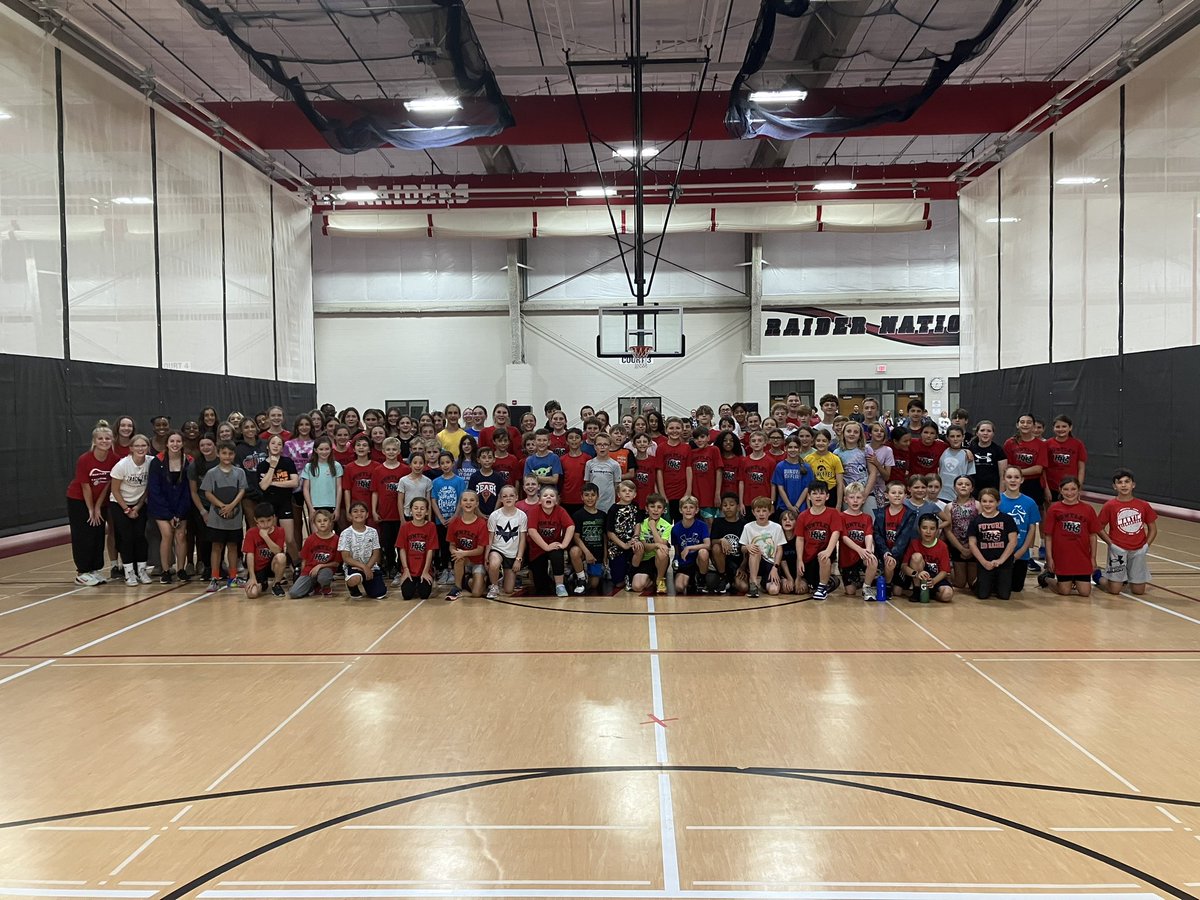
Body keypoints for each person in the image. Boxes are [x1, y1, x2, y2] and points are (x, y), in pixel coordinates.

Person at [1095, 468, 1157, 596]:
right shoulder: (1110, 505)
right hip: (1118, 550)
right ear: (1114, 486)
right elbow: (1099, 527)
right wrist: (1111, 544)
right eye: (1119, 482)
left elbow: (1153, 528)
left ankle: (1127, 578)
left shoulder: (1143, 505)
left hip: (1138, 550)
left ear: (1133, 485)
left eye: (1127, 482)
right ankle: (1097, 576)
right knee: (1114, 590)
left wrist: (1146, 546)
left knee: (1139, 591)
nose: (1123, 485)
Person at [201, 440, 247, 591]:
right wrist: (222, 506)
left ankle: (233, 577)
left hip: (235, 517)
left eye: (230, 453)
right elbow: (208, 492)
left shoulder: (239, 472)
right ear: (218, 454)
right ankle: (215, 578)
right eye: (224, 453)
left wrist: (231, 506)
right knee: (216, 546)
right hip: (217, 517)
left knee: (233, 546)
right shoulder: (212, 473)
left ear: (234, 455)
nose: (227, 456)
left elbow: (242, 491)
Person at [1041, 477, 1099, 597]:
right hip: (1063, 556)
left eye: (1073, 489)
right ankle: (1046, 578)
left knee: (1085, 592)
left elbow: (1093, 535)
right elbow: (1048, 536)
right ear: (1060, 491)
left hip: (1081, 556)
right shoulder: (1054, 509)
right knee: (1064, 591)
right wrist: (1049, 558)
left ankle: (1073, 579)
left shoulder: (1088, 509)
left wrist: (1092, 558)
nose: (1070, 492)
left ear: (1079, 490)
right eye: (1066, 489)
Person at [148, 431, 193, 584]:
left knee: (180, 535)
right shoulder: (157, 461)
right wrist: (168, 514)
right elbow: (154, 490)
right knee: (167, 535)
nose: (175, 444)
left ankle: (181, 569)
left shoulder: (188, 461)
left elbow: (188, 490)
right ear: (166, 444)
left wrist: (179, 513)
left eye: (178, 441)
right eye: (172, 441)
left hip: (181, 506)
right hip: (162, 507)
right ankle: (166, 570)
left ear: (182, 444)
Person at [109, 434, 154, 586]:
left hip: (139, 504)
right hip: (120, 504)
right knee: (126, 537)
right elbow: (115, 490)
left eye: (144, 445)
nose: (140, 449)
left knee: (140, 536)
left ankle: (141, 570)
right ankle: (129, 572)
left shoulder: (151, 462)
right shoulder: (122, 465)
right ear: (131, 448)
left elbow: (148, 488)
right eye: (137, 446)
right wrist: (127, 510)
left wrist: (138, 507)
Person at [967, 488, 1018, 600]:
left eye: (991, 501)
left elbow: (1013, 542)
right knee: (982, 595)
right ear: (980, 503)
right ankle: (979, 581)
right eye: (984, 501)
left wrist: (1000, 561)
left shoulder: (1007, 519)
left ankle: (996, 582)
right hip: (985, 562)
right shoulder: (975, 521)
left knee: (1004, 596)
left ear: (998, 502)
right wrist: (984, 562)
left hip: (1004, 563)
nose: (987, 504)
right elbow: (972, 544)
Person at [257, 434, 300, 566]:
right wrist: (272, 467)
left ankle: (296, 564)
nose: (276, 446)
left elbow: (294, 482)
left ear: (282, 448)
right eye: (273, 443)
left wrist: (274, 483)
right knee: (273, 539)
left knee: (289, 538)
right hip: (269, 505)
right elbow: (263, 486)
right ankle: (275, 567)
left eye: (279, 444)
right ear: (267, 446)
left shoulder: (287, 462)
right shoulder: (262, 465)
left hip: (285, 503)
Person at [999, 465, 1041, 593]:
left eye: (1016, 477)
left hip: (1020, 554)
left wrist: (1022, 551)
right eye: (1009, 477)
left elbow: (1032, 529)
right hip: (1000, 552)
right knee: (1001, 587)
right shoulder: (997, 500)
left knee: (1016, 588)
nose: (1013, 480)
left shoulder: (1030, 503)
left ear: (1022, 480)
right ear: (1004, 479)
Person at [526, 486, 575, 597]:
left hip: (554, 545)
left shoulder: (560, 510)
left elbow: (570, 526)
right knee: (541, 587)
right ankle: (546, 580)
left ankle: (560, 585)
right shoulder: (534, 511)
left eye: (552, 496)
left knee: (557, 554)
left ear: (556, 500)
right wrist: (546, 547)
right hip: (537, 547)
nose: (549, 497)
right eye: (545, 495)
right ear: (540, 500)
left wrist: (564, 544)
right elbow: (532, 531)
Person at [371, 437, 409, 578]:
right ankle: (391, 566)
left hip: (401, 514)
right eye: (388, 449)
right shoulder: (378, 470)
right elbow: (374, 491)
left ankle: (401, 567)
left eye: (394, 449)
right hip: (385, 513)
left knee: (401, 543)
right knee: (387, 543)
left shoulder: (405, 469)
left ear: (399, 451)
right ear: (383, 451)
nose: (391, 452)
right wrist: (374, 511)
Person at [796, 483, 841, 600]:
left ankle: (822, 587)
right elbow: (800, 539)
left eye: (821, 493)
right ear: (809, 496)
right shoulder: (803, 516)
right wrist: (800, 559)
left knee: (823, 557)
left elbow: (836, 532)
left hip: (824, 551)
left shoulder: (833, 513)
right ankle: (825, 581)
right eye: (814, 493)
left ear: (827, 496)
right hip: (808, 556)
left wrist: (828, 551)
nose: (818, 496)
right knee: (804, 588)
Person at [874, 481, 917, 598]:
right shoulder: (880, 513)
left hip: (901, 556)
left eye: (900, 493)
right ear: (887, 495)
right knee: (888, 563)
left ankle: (895, 581)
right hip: (885, 553)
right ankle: (887, 585)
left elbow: (904, 538)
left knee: (898, 592)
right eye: (893, 492)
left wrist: (892, 555)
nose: (897, 495)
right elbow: (877, 535)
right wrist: (886, 553)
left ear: (906, 496)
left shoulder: (910, 514)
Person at [445, 491, 489, 601]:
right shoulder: (454, 522)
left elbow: (480, 550)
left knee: (476, 593)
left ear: (477, 504)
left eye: (471, 500)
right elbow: (452, 545)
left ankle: (471, 580)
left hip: (477, 561)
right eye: (465, 500)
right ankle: (457, 587)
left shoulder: (481, 523)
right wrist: (455, 552)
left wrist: (463, 553)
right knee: (458, 558)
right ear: (460, 503)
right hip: (462, 560)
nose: (468, 503)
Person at [339, 500, 387, 599]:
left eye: (362, 511)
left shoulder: (372, 532)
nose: (359, 513)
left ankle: (367, 582)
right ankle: (353, 588)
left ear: (367, 514)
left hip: (370, 566)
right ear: (350, 515)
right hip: (354, 567)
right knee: (354, 579)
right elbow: (346, 557)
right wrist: (363, 567)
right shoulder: (345, 533)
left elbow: (376, 553)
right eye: (355, 511)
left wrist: (367, 568)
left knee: (380, 593)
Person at [486, 485, 527, 599]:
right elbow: (490, 537)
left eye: (511, 495)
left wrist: (518, 559)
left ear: (517, 497)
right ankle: (493, 586)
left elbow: (522, 539)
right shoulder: (495, 515)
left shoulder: (522, 516)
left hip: (512, 554)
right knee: (494, 563)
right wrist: (486, 556)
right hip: (497, 549)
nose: (508, 498)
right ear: (500, 499)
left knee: (509, 590)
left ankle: (501, 579)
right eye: (505, 496)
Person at [838, 482, 878, 600]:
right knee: (850, 592)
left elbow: (868, 535)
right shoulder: (841, 517)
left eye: (858, 497)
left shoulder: (867, 518)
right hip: (847, 558)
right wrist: (859, 549)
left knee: (872, 559)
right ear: (845, 500)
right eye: (851, 497)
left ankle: (867, 587)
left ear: (864, 500)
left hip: (862, 555)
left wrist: (868, 550)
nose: (855, 501)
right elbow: (844, 537)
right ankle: (862, 580)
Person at [902, 514, 954, 603]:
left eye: (932, 529)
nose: (928, 532)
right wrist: (916, 574)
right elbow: (904, 566)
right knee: (916, 557)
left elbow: (944, 571)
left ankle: (931, 594)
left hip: (935, 579)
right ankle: (917, 590)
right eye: (924, 528)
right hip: (918, 576)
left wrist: (933, 581)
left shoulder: (942, 546)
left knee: (947, 595)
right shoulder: (914, 544)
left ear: (937, 531)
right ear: (919, 529)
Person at [740, 496, 785, 598]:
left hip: (770, 563)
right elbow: (742, 548)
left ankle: (764, 584)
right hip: (754, 562)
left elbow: (779, 549)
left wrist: (775, 567)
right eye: (758, 511)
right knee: (755, 550)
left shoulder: (777, 527)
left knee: (773, 591)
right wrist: (747, 547)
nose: (761, 513)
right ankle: (753, 584)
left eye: (764, 511)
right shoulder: (748, 527)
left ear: (770, 512)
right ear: (753, 512)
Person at [242, 502, 289, 598]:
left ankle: (276, 584)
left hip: (272, 565)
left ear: (274, 518)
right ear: (256, 520)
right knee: (252, 594)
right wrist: (252, 576)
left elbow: (277, 551)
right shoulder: (251, 533)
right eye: (262, 521)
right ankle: (263, 583)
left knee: (281, 557)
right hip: (258, 568)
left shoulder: (280, 531)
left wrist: (265, 537)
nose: (266, 524)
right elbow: (250, 555)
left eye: (269, 520)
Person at [940, 475, 979, 590]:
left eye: (967, 485)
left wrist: (971, 547)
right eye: (960, 484)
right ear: (954, 488)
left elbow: (980, 527)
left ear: (972, 489)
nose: (963, 486)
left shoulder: (977, 505)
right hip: (957, 545)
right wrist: (961, 549)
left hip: (974, 546)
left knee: (973, 584)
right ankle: (950, 571)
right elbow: (948, 529)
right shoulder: (949, 507)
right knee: (960, 583)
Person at [569, 483, 607, 595]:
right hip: (583, 551)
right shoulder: (577, 515)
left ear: (598, 496)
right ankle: (580, 578)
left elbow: (605, 537)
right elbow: (576, 537)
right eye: (586, 495)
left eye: (592, 495)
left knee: (594, 585)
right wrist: (587, 553)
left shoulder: (602, 515)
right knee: (574, 551)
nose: (590, 498)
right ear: (582, 497)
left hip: (597, 553)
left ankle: (580, 575)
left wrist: (605, 555)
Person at [396, 497, 438, 599]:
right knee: (407, 595)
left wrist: (426, 571)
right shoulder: (405, 527)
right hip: (409, 569)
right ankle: (413, 584)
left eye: (422, 508)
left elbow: (430, 550)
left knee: (424, 595)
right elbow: (402, 549)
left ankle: (429, 579)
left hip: (424, 568)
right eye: (416, 508)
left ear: (427, 512)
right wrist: (405, 570)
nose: (419, 511)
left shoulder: (431, 526)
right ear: (411, 510)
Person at [292, 509, 339, 598]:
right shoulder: (310, 539)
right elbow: (304, 560)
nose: (322, 523)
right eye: (319, 521)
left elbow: (336, 563)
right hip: (309, 570)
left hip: (326, 569)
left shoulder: (337, 539)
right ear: (314, 523)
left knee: (324, 577)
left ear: (330, 522)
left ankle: (325, 586)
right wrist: (303, 576)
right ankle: (314, 585)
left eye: (325, 520)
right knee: (294, 593)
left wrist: (320, 566)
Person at [606, 479, 642, 593]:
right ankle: (623, 576)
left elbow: (637, 524)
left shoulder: (636, 506)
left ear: (635, 494)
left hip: (631, 542)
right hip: (616, 546)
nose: (627, 493)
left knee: (639, 548)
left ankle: (631, 575)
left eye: (630, 491)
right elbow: (610, 532)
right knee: (618, 583)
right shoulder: (613, 509)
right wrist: (623, 545)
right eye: (624, 490)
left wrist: (635, 538)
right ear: (618, 494)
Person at [632, 493, 672, 595]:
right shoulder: (641, 524)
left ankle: (660, 580)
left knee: (661, 551)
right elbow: (645, 547)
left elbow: (662, 545)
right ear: (646, 508)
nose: (655, 510)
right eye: (652, 507)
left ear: (663, 510)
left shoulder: (667, 525)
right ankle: (651, 580)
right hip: (645, 559)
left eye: (659, 507)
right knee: (637, 587)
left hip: (660, 559)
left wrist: (653, 527)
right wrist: (656, 545)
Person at [670, 495, 710, 595]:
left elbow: (708, 545)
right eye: (685, 507)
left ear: (696, 510)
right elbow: (677, 550)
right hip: (685, 561)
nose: (688, 510)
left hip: (698, 560)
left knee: (703, 552)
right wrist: (676, 562)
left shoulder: (702, 525)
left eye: (691, 507)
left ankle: (701, 580)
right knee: (679, 587)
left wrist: (689, 547)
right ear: (680, 510)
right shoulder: (675, 529)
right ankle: (691, 579)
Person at [1045, 415, 1088, 504]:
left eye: (1064, 426)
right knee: (1052, 512)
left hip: (1070, 488)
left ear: (1070, 427)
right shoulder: (1047, 444)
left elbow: (1081, 468)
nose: (1061, 429)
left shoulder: (1078, 444)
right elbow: (1043, 469)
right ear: (1053, 428)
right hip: (1052, 486)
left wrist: (1078, 487)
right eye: (1058, 427)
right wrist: (1046, 488)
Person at [302, 436, 344, 522]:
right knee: (316, 533)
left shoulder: (336, 466)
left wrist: (337, 508)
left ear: (331, 449)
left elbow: (339, 488)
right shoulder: (309, 466)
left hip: (331, 505)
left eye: (327, 449)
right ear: (315, 450)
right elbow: (305, 489)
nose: (324, 452)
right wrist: (310, 508)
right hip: (315, 505)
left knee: (328, 532)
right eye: (321, 449)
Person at [805, 430, 845, 510]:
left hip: (831, 492)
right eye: (818, 440)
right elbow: (806, 484)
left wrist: (838, 505)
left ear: (829, 442)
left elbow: (840, 483)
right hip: (814, 493)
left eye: (824, 441)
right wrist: (808, 505)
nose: (821, 443)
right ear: (814, 442)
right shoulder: (808, 459)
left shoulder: (835, 459)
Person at [583, 433, 623, 513]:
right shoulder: (589, 464)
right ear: (595, 447)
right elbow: (588, 484)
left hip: (608, 504)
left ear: (610, 446)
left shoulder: (615, 465)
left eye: (605, 444)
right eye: (599, 444)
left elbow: (617, 485)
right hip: (593, 504)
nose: (602, 447)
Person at [937, 426, 976, 502]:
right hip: (940, 494)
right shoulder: (942, 451)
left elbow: (970, 478)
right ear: (947, 438)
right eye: (952, 436)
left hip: (958, 497)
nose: (955, 439)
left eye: (958, 436)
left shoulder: (968, 455)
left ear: (963, 437)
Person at [967, 420, 1007, 494]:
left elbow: (1003, 476)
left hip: (992, 491)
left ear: (993, 434)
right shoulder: (970, 449)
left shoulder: (998, 450)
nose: (985, 433)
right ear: (977, 433)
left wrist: (1001, 495)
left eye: (989, 431)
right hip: (973, 491)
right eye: (982, 430)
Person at [468, 446, 506, 517]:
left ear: (494, 460)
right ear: (478, 460)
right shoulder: (474, 477)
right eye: (484, 457)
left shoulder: (498, 477)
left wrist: (494, 513)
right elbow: (472, 496)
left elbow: (500, 496)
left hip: (495, 514)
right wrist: (479, 514)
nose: (487, 460)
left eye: (489, 457)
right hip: (477, 514)